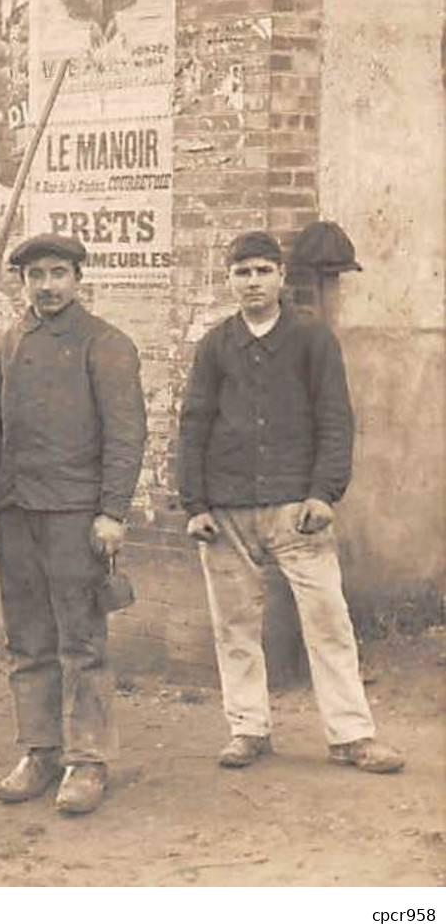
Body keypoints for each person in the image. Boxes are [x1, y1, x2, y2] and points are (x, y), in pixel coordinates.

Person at [177, 229, 403, 774]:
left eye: (262, 271)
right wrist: (195, 504)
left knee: (327, 619)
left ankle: (351, 734)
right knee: (234, 624)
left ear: (280, 277)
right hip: (227, 509)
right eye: (242, 272)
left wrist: (324, 494)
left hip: (295, 512)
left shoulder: (311, 340)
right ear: (229, 280)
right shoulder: (216, 345)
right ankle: (247, 728)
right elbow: (193, 424)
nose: (252, 282)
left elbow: (334, 419)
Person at [0, 232, 147, 815]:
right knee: (27, 640)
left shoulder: (106, 344)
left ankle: (86, 760)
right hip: (18, 512)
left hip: (76, 516)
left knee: (82, 642)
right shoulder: (7, 343)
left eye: (57, 274)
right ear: (21, 282)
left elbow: (126, 436)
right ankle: (39, 750)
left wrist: (112, 512)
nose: (46, 286)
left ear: (77, 280)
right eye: (35, 275)